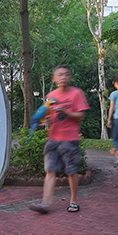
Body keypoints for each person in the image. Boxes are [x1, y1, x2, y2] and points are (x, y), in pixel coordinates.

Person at [29, 65, 89, 214]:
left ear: (70, 77)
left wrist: (64, 111)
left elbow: (80, 116)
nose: (63, 77)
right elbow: (48, 116)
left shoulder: (77, 94)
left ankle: (73, 201)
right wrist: (47, 120)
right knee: (50, 171)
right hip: (52, 139)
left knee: (71, 171)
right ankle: (45, 203)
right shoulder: (50, 96)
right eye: (59, 75)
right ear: (54, 79)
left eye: (66, 74)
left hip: (70, 140)